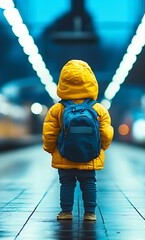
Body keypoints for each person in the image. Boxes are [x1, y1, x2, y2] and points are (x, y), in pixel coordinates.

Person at [42, 59, 114, 221]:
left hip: (64, 155)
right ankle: (90, 213)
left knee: (66, 184)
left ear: (62, 83)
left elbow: (49, 133)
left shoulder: (58, 109)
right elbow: (106, 133)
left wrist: (50, 148)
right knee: (89, 183)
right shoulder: (98, 108)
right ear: (91, 81)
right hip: (90, 155)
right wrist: (101, 147)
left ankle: (66, 212)